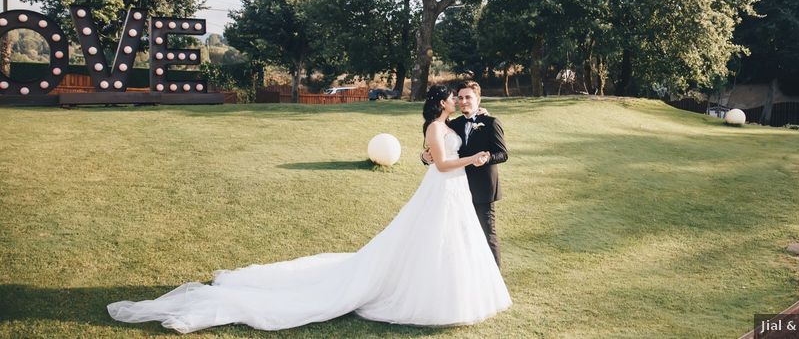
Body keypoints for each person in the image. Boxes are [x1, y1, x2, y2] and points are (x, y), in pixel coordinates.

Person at [107, 85, 511, 333]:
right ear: (444, 103)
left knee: (453, 241)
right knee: (425, 239)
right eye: (453, 98)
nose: (458, 101)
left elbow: (449, 152)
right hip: (445, 185)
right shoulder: (440, 126)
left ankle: (458, 285)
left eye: (462, 98)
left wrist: (462, 159)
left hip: (455, 192)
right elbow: (439, 161)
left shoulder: (459, 124)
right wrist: (466, 161)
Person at [422, 80, 508, 267]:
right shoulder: (454, 124)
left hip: (483, 187)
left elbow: (503, 154)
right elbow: (439, 148)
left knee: (487, 232)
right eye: (460, 98)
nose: (463, 101)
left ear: (478, 99)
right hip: (456, 186)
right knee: (460, 233)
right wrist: (424, 156)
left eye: (468, 97)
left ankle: (494, 277)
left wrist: (487, 158)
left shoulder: (491, 122)